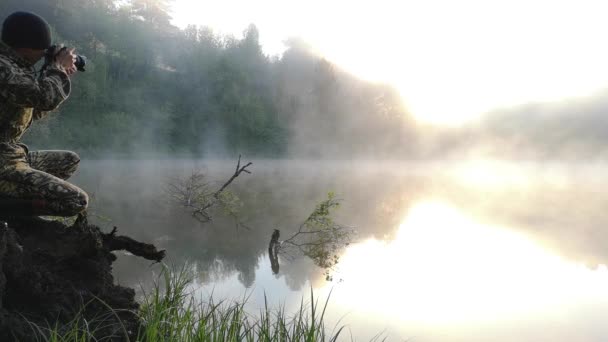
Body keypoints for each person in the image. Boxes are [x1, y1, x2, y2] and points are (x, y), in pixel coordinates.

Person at [0, 11, 88, 216]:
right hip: (2, 162)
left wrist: (59, 73)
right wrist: (57, 69)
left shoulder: (16, 67)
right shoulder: (4, 68)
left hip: (10, 155)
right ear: (26, 48)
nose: (42, 55)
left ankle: (15, 201)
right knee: (75, 200)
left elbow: (33, 111)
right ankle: (8, 212)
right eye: (41, 50)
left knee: (69, 160)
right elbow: (43, 97)